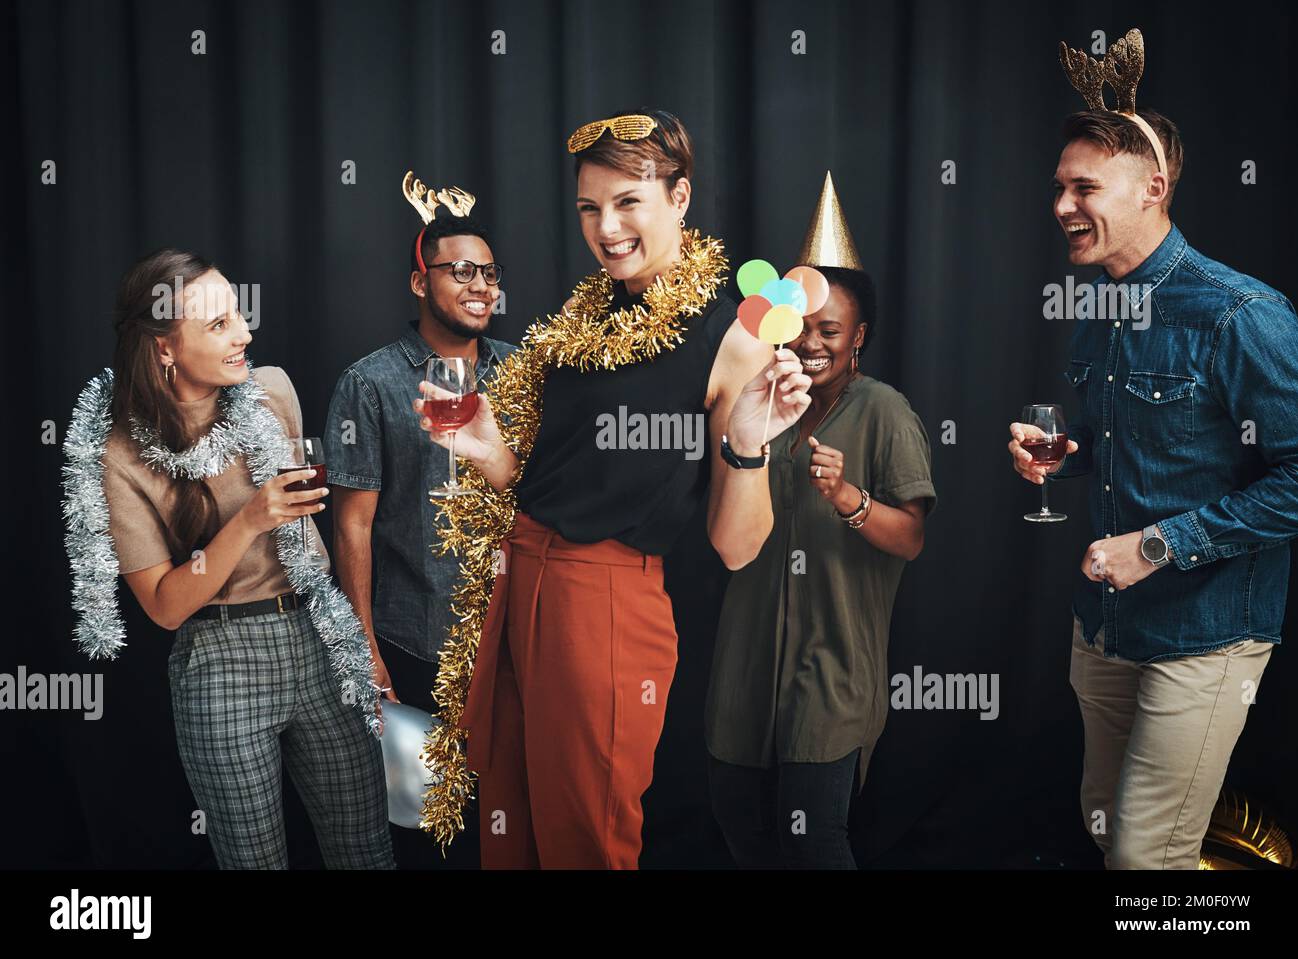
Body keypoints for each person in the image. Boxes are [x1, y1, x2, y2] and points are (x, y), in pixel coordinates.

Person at [413, 109, 813, 868]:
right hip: (520, 577)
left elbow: (736, 546)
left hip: (602, 603)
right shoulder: (586, 313)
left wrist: (750, 444)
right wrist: (482, 448)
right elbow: (546, 481)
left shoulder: (729, 337)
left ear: (680, 197)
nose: (607, 227)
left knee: (584, 840)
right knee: (512, 825)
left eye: (628, 201)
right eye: (590, 208)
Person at [1007, 30, 1298, 869]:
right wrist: (1065, 453)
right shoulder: (1105, 304)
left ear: (1154, 189)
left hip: (1206, 638)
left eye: (1084, 187)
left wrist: (1159, 544)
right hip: (1105, 627)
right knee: (1104, 822)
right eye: (1059, 187)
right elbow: (1140, 442)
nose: (1062, 205)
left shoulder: (1239, 314)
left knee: (1146, 856)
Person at [65, 248, 394, 869]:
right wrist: (250, 520)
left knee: (367, 851)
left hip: (319, 639)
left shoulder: (271, 392)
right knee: (254, 862)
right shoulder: (119, 454)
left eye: (239, 316)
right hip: (220, 661)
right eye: (218, 325)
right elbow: (164, 606)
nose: (245, 333)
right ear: (164, 347)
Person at [705, 174, 936, 868]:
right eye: (801, 325)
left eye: (829, 330)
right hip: (742, 671)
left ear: (858, 335)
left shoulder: (885, 412)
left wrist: (853, 502)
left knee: (811, 842)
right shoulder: (754, 401)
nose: (812, 342)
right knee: (742, 834)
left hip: (832, 675)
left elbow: (913, 537)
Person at [325, 178, 515, 868]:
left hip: (510, 642)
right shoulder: (371, 384)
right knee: (430, 835)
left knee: (508, 826)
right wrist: (366, 652)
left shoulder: (518, 373)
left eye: (489, 273)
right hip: (415, 644)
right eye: (460, 270)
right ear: (418, 280)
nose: (480, 285)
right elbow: (351, 529)